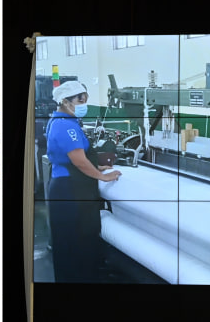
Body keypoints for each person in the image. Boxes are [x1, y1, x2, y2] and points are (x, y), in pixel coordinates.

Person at [45, 81, 122, 283]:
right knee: (74, 238)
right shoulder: (64, 125)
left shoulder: (65, 121)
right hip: (69, 190)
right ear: (65, 101)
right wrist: (103, 177)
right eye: (80, 99)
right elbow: (78, 161)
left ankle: (82, 276)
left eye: (85, 99)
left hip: (70, 186)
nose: (83, 104)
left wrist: (97, 168)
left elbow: (80, 160)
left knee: (79, 238)